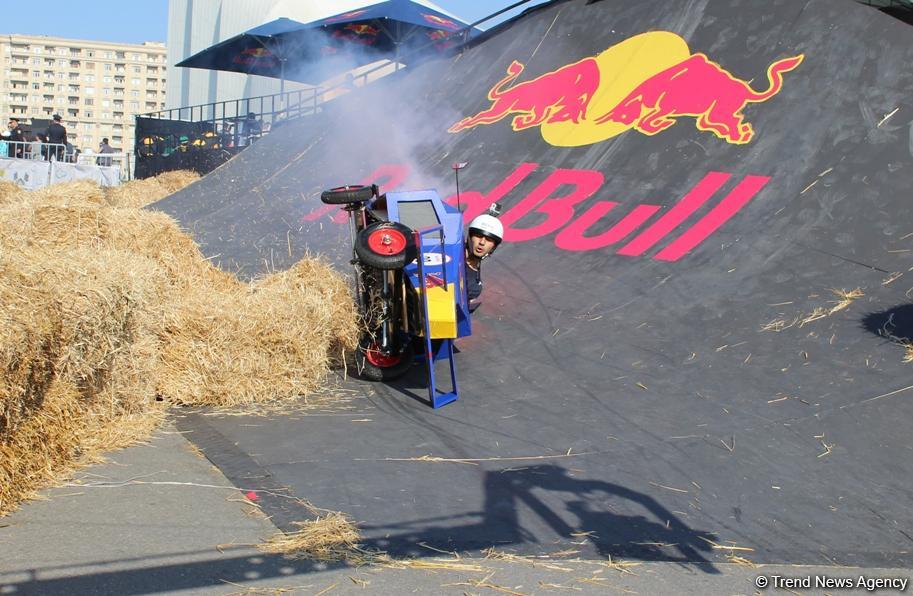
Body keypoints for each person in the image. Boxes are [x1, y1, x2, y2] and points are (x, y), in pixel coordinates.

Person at [464, 204, 504, 312]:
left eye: (488, 239)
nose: (482, 242)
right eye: (478, 236)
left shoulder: (475, 274)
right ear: (470, 237)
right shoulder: (453, 256)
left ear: (493, 247)